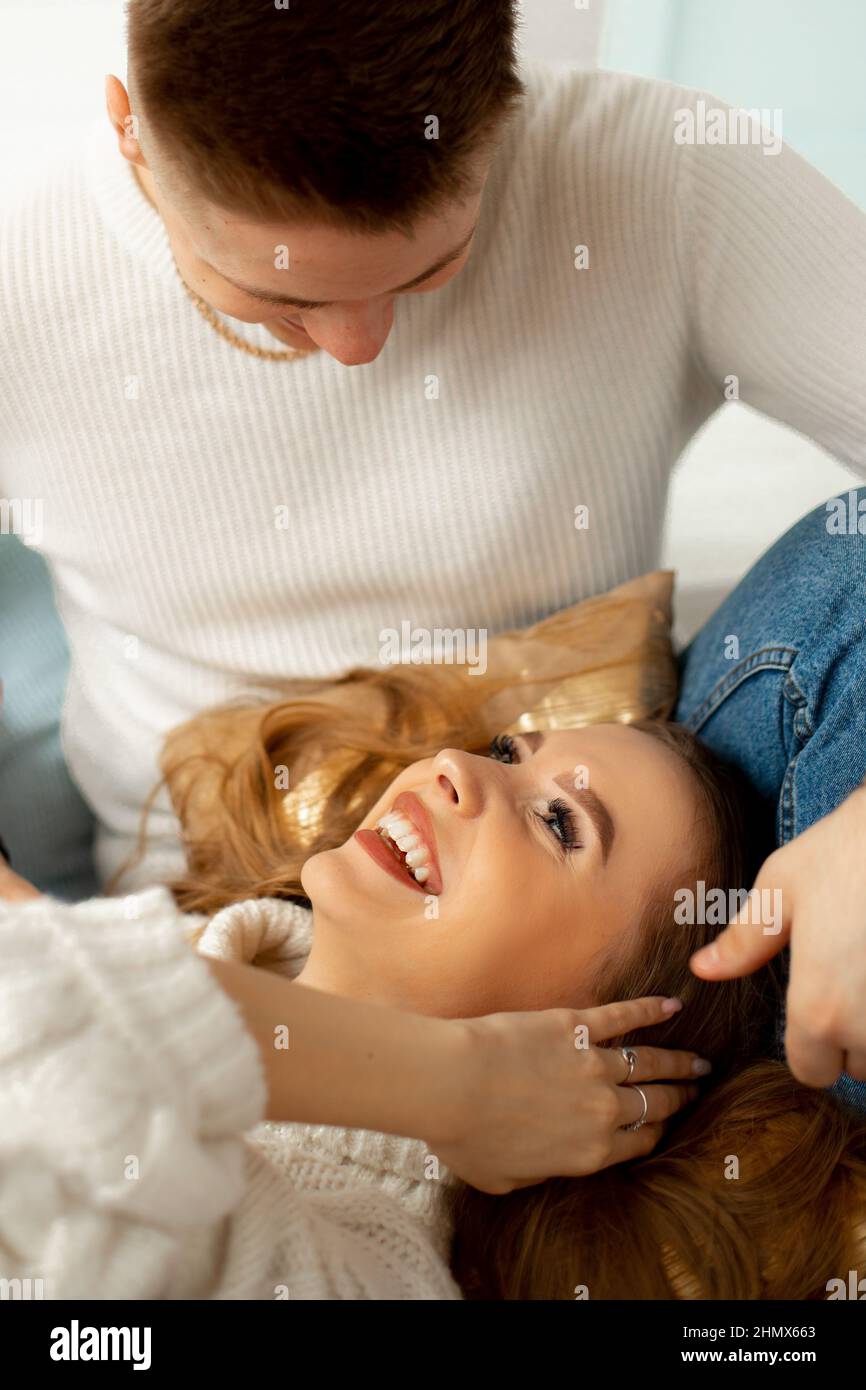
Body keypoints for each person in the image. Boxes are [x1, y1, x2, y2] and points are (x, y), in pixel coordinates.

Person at [2, 4, 865, 1127]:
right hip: (183, 954)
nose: (360, 346)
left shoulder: (660, 173)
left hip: (617, 897)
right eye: (278, 299)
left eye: (429, 270)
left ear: (502, 117)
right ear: (130, 135)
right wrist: (436, 1087)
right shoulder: (21, 287)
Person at [1, 703, 864, 1299]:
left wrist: (457, 1085)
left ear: (600, 1046)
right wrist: (454, 1081)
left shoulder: (365, 1265)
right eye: (506, 752)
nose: (454, 767)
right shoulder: (180, 938)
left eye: (560, 823)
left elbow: (61, 1010)